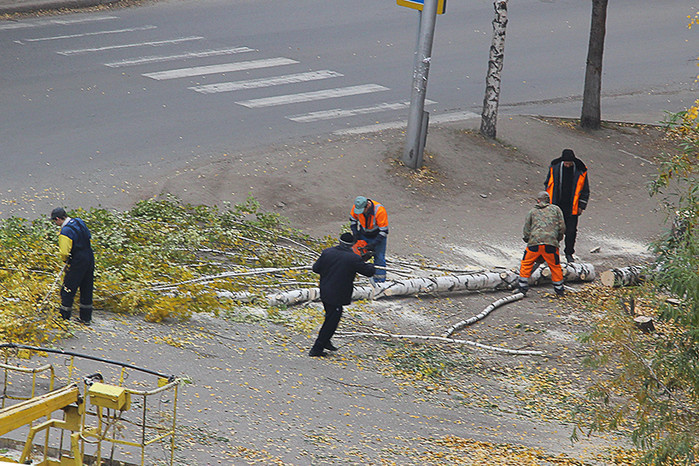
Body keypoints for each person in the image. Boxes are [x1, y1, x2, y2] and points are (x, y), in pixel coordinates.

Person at [309, 233, 375, 357]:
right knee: (332, 321)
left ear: (339, 241)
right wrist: (369, 262)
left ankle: (325, 341)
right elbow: (368, 271)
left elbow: (316, 268)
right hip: (338, 294)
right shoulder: (353, 258)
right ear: (352, 244)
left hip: (325, 290)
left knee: (329, 317)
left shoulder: (327, 252)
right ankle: (317, 348)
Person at [51, 207, 95, 324]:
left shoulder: (65, 231)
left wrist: (66, 261)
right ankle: (86, 317)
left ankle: (64, 317)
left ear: (59, 219)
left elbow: (64, 252)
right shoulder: (79, 221)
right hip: (89, 257)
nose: (56, 224)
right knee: (86, 287)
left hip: (78, 260)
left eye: (55, 221)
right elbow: (88, 236)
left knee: (68, 288)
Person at [518, 192, 566, 297]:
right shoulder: (556, 209)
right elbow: (562, 227)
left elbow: (526, 229)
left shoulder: (532, 212)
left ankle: (522, 288)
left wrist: (528, 240)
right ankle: (559, 290)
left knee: (526, 264)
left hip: (534, 244)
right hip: (551, 244)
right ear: (548, 200)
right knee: (555, 266)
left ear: (538, 200)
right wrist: (557, 239)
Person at [545, 148, 589, 263]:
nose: (568, 165)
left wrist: (581, 206)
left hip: (572, 207)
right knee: (554, 231)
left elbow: (585, 190)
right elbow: (547, 184)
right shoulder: (554, 168)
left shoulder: (580, 170)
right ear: (562, 161)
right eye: (566, 163)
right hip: (555, 206)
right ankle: (552, 254)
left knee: (571, 232)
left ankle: (569, 253)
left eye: (569, 163)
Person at [350, 196, 388, 282]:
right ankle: (352, 277)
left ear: (367, 206)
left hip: (378, 236)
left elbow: (384, 231)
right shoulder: (357, 207)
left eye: (362, 210)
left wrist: (373, 244)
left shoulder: (379, 210)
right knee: (355, 255)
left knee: (379, 258)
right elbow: (353, 220)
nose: (361, 213)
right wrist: (355, 234)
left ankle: (380, 282)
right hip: (363, 234)